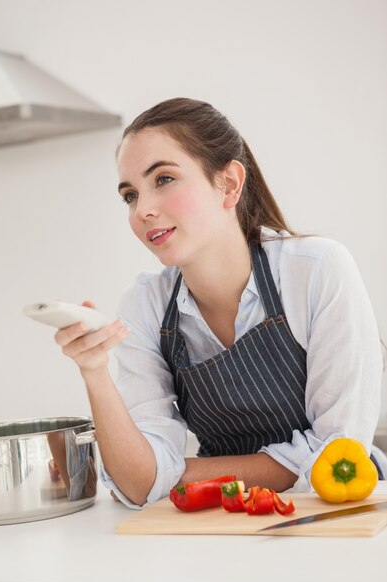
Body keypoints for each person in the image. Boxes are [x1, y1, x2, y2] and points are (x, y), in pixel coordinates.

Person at [55, 97, 386, 508]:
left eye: (163, 179)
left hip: (334, 512)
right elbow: (139, 484)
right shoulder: (144, 304)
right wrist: (94, 372)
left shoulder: (316, 270)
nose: (143, 210)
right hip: (220, 515)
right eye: (130, 195)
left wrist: (182, 474)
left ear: (229, 183)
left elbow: (339, 453)